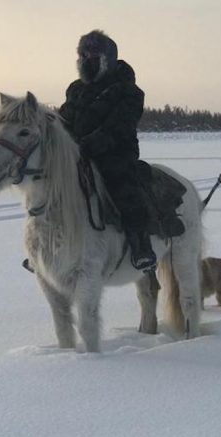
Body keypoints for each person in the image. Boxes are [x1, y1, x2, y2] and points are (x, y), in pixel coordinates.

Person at [58, 29, 156, 270]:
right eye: (83, 54)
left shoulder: (128, 90)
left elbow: (120, 126)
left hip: (115, 153)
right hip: (77, 154)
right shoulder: (75, 89)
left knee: (124, 188)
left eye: (92, 54)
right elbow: (65, 119)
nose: (86, 58)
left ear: (107, 58)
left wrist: (92, 143)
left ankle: (140, 245)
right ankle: (50, 246)